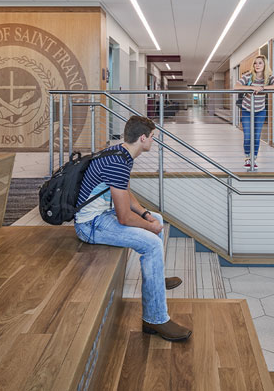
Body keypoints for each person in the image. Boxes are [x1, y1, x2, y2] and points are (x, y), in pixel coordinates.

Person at [74, 115, 192, 341]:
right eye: (152, 138)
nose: (153, 142)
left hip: (102, 215)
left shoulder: (120, 153)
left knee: (156, 217)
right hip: (90, 225)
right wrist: (149, 226)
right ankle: (155, 319)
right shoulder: (118, 162)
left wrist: (148, 215)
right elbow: (124, 218)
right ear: (142, 138)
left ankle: (156, 278)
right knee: (151, 245)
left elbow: (126, 194)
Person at [233, 55, 274, 169]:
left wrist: (263, 87)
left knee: (257, 135)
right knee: (248, 135)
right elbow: (236, 86)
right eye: (255, 63)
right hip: (246, 110)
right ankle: (247, 158)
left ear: (265, 65)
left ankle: (253, 158)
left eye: (260, 63)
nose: (257, 65)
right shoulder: (248, 76)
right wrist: (251, 88)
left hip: (260, 111)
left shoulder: (268, 78)